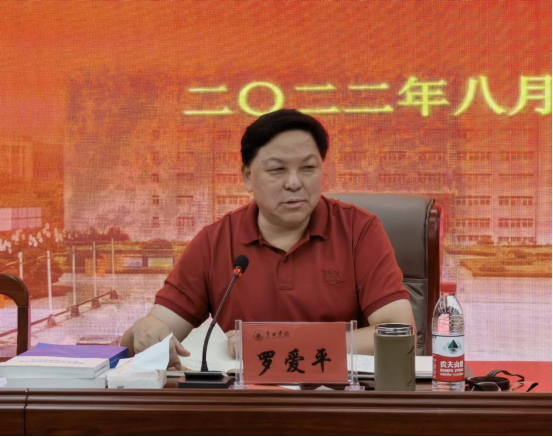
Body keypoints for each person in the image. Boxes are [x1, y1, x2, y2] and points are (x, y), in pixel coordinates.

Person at [121, 109, 416, 370]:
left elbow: (399, 333)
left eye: (308, 168)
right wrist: (143, 333)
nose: (294, 183)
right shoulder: (215, 241)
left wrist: (279, 342)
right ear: (247, 177)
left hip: (337, 401)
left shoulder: (359, 230)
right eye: (277, 169)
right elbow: (149, 333)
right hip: (244, 405)